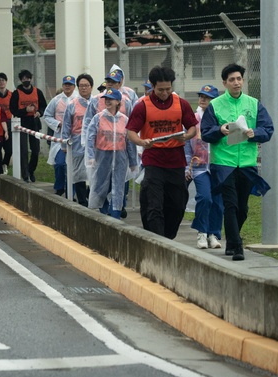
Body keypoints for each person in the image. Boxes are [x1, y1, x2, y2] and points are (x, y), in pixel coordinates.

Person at [200, 63, 274, 261]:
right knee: (230, 205)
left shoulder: (253, 104)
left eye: (239, 79)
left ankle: (231, 241)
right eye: (231, 79)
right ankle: (238, 245)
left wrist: (254, 133)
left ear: (243, 81)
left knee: (243, 208)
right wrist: (220, 129)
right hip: (224, 163)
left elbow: (268, 129)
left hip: (247, 163)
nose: (236, 82)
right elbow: (205, 133)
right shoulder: (215, 105)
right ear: (224, 83)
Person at [126, 65, 199, 240]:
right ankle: (157, 240)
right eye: (160, 90)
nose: (165, 93)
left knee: (177, 204)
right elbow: (131, 132)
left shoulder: (181, 104)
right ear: (152, 86)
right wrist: (142, 142)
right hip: (153, 159)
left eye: (168, 89)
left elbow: (192, 128)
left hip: (176, 161)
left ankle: (168, 238)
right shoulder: (142, 105)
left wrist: (186, 137)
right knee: (153, 203)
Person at [84, 69, 136, 217]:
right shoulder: (98, 118)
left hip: (120, 158)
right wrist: (91, 156)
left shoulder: (124, 119)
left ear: (118, 101)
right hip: (102, 157)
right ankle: (104, 212)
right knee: (101, 187)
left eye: (110, 99)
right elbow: (90, 137)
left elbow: (130, 142)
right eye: (106, 99)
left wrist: (133, 162)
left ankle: (115, 216)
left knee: (118, 188)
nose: (107, 101)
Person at [185, 84, 224, 249]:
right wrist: (187, 166)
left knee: (218, 202)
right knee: (204, 198)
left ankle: (213, 233)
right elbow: (187, 144)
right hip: (199, 167)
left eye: (207, 97)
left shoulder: (220, 118)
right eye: (201, 96)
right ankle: (201, 232)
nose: (202, 99)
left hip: (218, 166)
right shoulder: (193, 120)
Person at [60, 74, 94, 206]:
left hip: (93, 143)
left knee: (93, 172)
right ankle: (82, 200)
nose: (83, 88)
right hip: (77, 143)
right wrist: (64, 143)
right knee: (78, 173)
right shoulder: (72, 104)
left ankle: (92, 197)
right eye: (81, 86)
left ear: (91, 87)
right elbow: (67, 125)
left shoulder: (97, 102)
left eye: (86, 86)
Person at [9, 69, 47, 183]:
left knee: (35, 150)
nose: (26, 80)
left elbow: (44, 106)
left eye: (28, 78)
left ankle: (31, 170)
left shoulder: (37, 92)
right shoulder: (16, 93)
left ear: (31, 79)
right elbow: (13, 110)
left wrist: (39, 112)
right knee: (23, 150)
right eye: (24, 79)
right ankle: (25, 174)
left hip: (34, 123)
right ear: (21, 80)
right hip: (21, 123)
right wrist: (25, 110)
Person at [43, 75, 76, 197]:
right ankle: (59, 187)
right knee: (60, 163)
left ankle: (71, 193)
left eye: (70, 84)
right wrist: (58, 124)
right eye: (65, 84)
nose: (67, 87)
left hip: (75, 138)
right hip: (60, 138)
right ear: (62, 86)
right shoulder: (56, 100)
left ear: (74, 86)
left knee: (73, 167)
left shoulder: (78, 100)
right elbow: (47, 115)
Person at [0, 73, 14, 172]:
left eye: (3, 80)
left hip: (9, 122)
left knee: (9, 148)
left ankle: (5, 163)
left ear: (6, 81)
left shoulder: (11, 95)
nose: (1, 82)